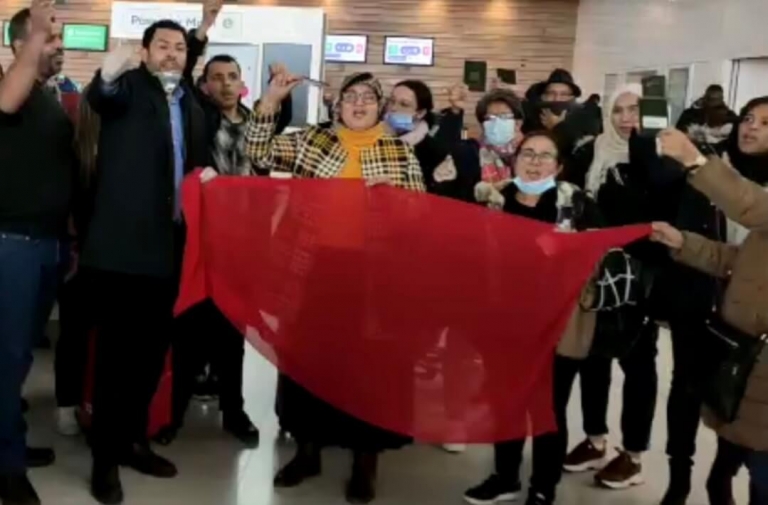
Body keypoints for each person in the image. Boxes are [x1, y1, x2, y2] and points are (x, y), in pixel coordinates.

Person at [243, 68, 424, 504]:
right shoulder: (313, 140)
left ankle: (365, 462)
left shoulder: (400, 152)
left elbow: (422, 219)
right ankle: (307, 451)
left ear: (380, 107)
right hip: (314, 268)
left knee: (369, 370)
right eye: (350, 97)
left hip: (374, 275)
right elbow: (257, 151)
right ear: (336, 105)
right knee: (308, 363)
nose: (358, 104)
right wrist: (270, 101)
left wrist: (398, 200)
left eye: (367, 97)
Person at [83, 18, 209, 505]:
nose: (172, 54)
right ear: (145, 51)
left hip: (171, 250)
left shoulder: (188, 100)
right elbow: (102, 96)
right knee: (115, 363)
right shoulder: (130, 87)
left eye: (180, 48)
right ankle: (104, 461)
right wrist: (107, 74)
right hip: (122, 251)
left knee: (150, 358)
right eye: (163, 46)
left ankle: (133, 442)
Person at [463, 131, 601, 505]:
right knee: (505, 403)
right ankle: (505, 476)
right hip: (504, 321)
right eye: (528, 154)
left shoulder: (576, 202)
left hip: (558, 323)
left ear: (559, 165)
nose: (535, 162)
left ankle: (543, 485)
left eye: (545, 156)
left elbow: (601, 254)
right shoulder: (493, 199)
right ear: (515, 160)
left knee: (549, 407)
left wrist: (566, 252)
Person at [151, 0, 263, 449]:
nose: (225, 84)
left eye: (232, 76)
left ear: (242, 82)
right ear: (203, 84)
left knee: (232, 334)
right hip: (196, 241)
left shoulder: (258, 124)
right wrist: (204, 28)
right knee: (187, 330)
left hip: (241, 246)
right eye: (216, 77)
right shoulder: (197, 114)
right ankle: (174, 414)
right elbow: (185, 76)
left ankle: (234, 411)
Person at [652, 96, 768, 505]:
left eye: (766, 123)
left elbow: (754, 207)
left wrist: (696, 161)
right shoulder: (723, 166)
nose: (752, 127)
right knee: (724, 426)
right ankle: (695, 482)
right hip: (724, 329)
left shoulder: (722, 174)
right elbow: (741, 259)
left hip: (757, 350)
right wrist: (683, 243)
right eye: (749, 118)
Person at [562, 84, 677, 491]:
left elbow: (662, 197)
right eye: (619, 111)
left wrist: (645, 144)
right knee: (593, 358)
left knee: (638, 364)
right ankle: (595, 439)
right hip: (594, 275)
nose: (627, 119)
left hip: (640, 277)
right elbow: (570, 198)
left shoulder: (663, 158)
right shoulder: (590, 153)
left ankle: (633, 454)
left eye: (636, 110)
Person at [0, 2, 75, 503]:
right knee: (6, 359)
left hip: (47, 244)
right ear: (20, 45)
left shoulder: (49, 96)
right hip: (12, 244)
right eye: (50, 37)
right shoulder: (11, 87)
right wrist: (34, 40)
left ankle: (9, 442)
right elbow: (7, 101)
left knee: (21, 355)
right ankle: (6, 466)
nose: (59, 46)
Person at [53, 85, 100, 438]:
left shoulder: (121, 150)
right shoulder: (72, 151)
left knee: (89, 336)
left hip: (108, 254)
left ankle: (84, 402)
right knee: (74, 334)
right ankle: (67, 404)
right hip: (78, 255)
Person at [384, 80, 464, 194]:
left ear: (420, 113)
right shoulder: (374, 137)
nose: (393, 108)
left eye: (404, 104)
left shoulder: (433, 151)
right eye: (392, 101)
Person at [449, 88, 525, 202]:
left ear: (518, 123)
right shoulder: (471, 152)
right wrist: (455, 112)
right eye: (490, 118)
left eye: (504, 116)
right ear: (483, 125)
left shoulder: (530, 152)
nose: (497, 123)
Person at [523, 68, 600, 155]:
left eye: (564, 94)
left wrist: (558, 127)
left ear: (572, 98)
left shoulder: (584, 120)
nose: (557, 99)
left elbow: (579, 153)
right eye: (551, 93)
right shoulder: (530, 118)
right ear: (543, 96)